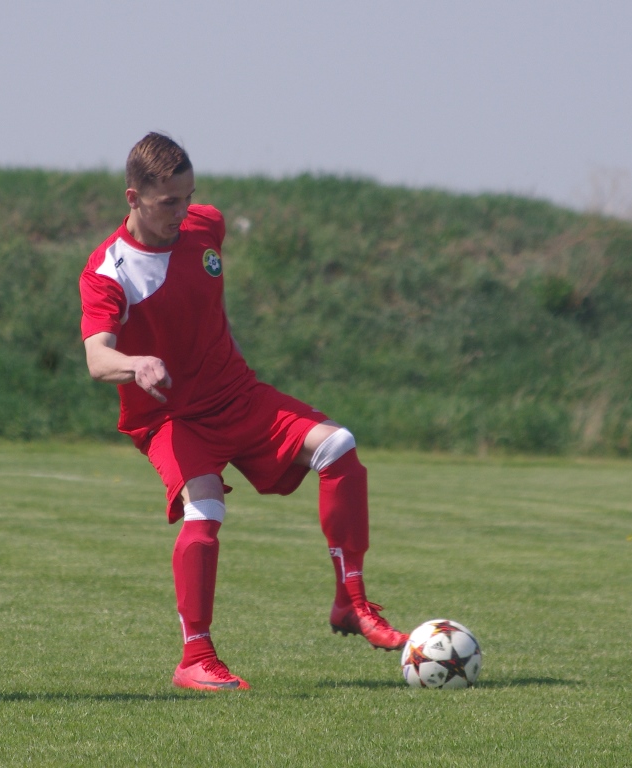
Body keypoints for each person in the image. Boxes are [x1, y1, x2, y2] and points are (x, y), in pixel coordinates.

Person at [79, 132, 409, 691]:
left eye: (188, 198)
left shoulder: (205, 225)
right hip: (171, 417)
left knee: (339, 446)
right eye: (168, 202)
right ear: (133, 198)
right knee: (205, 509)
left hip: (237, 395)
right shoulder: (107, 272)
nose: (182, 212)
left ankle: (350, 602)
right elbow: (96, 357)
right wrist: (135, 364)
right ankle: (195, 658)